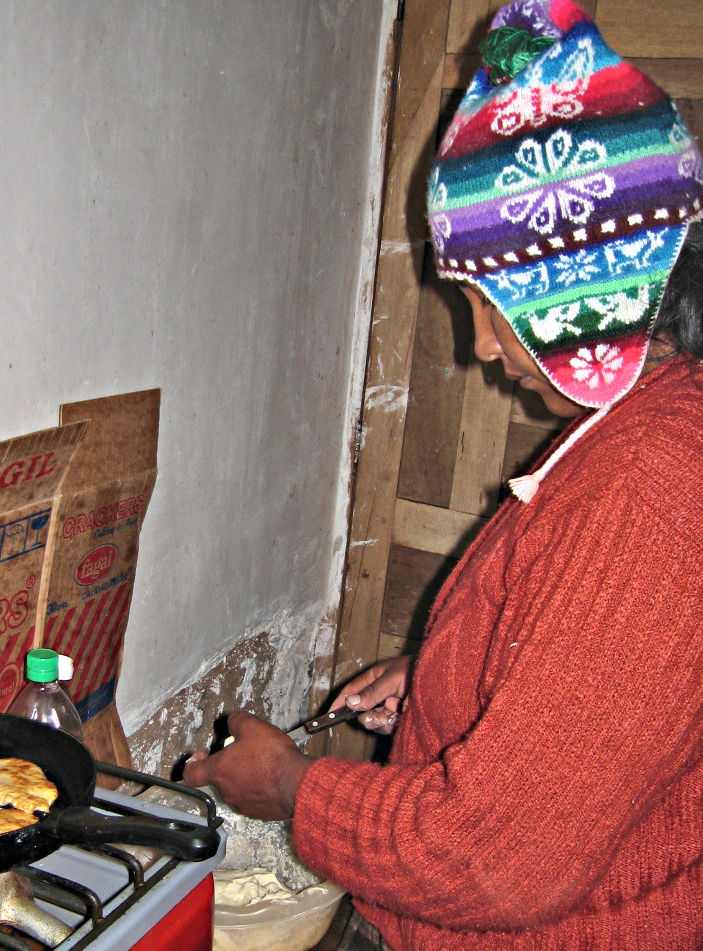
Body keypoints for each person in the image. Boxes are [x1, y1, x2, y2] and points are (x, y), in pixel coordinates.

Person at [183, 1, 703, 947]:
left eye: (483, 300)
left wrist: (292, 787)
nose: (478, 346)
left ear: (570, 288)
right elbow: (604, 689)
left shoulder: (651, 488)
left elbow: (492, 859)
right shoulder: (652, 429)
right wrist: (442, 676)